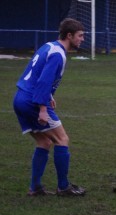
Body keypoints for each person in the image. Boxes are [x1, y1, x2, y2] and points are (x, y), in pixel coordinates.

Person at [13, 18, 86, 197]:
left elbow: (34, 74)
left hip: (20, 98)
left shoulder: (49, 46)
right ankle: (63, 187)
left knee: (44, 142)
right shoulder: (58, 54)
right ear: (69, 36)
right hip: (32, 101)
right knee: (62, 139)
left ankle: (35, 187)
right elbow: (44, 81)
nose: (82, 39)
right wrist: (43, 108)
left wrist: (49, 96)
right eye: (80, 35)